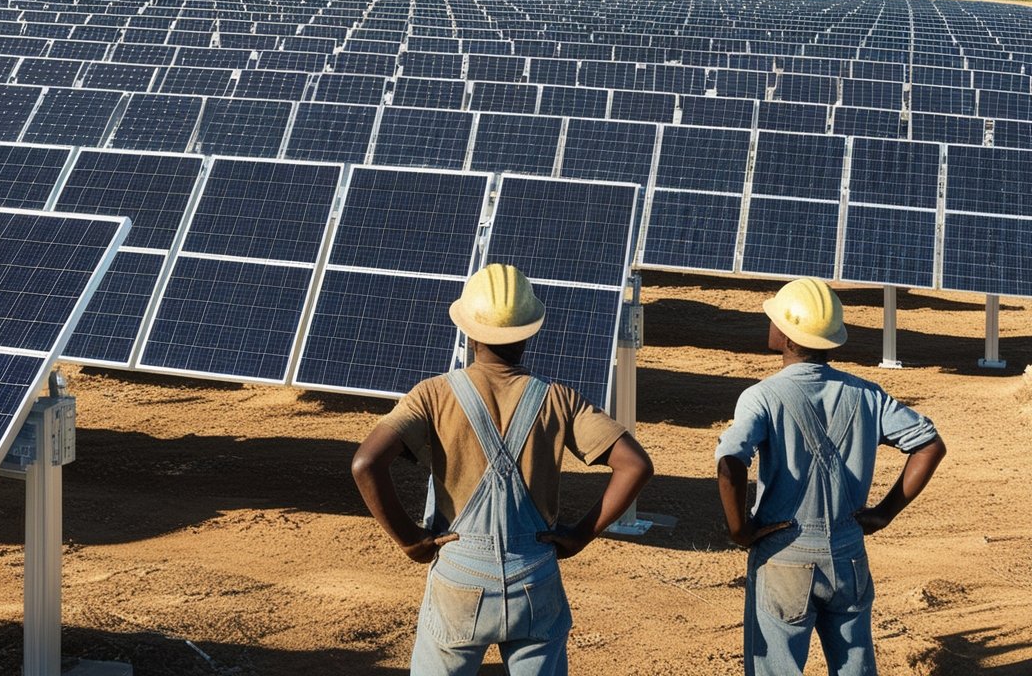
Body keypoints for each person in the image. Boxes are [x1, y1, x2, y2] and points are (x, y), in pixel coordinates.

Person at [352, 263, 653, 675]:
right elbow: (635, 465)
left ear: (469, 332)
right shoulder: (558, 399)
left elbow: (366, 463)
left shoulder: (432, 395)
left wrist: (410, 541)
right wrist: (580, 535)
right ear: (530, 331)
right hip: (535, 571)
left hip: (459, 573)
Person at [715, 277, 947, 676]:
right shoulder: (868, 395)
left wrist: (740, 530)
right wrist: (883, 513)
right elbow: (929, 445)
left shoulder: (761, 396)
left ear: (787, 336)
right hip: (848, 554)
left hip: (784, 556)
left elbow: (730, 463)